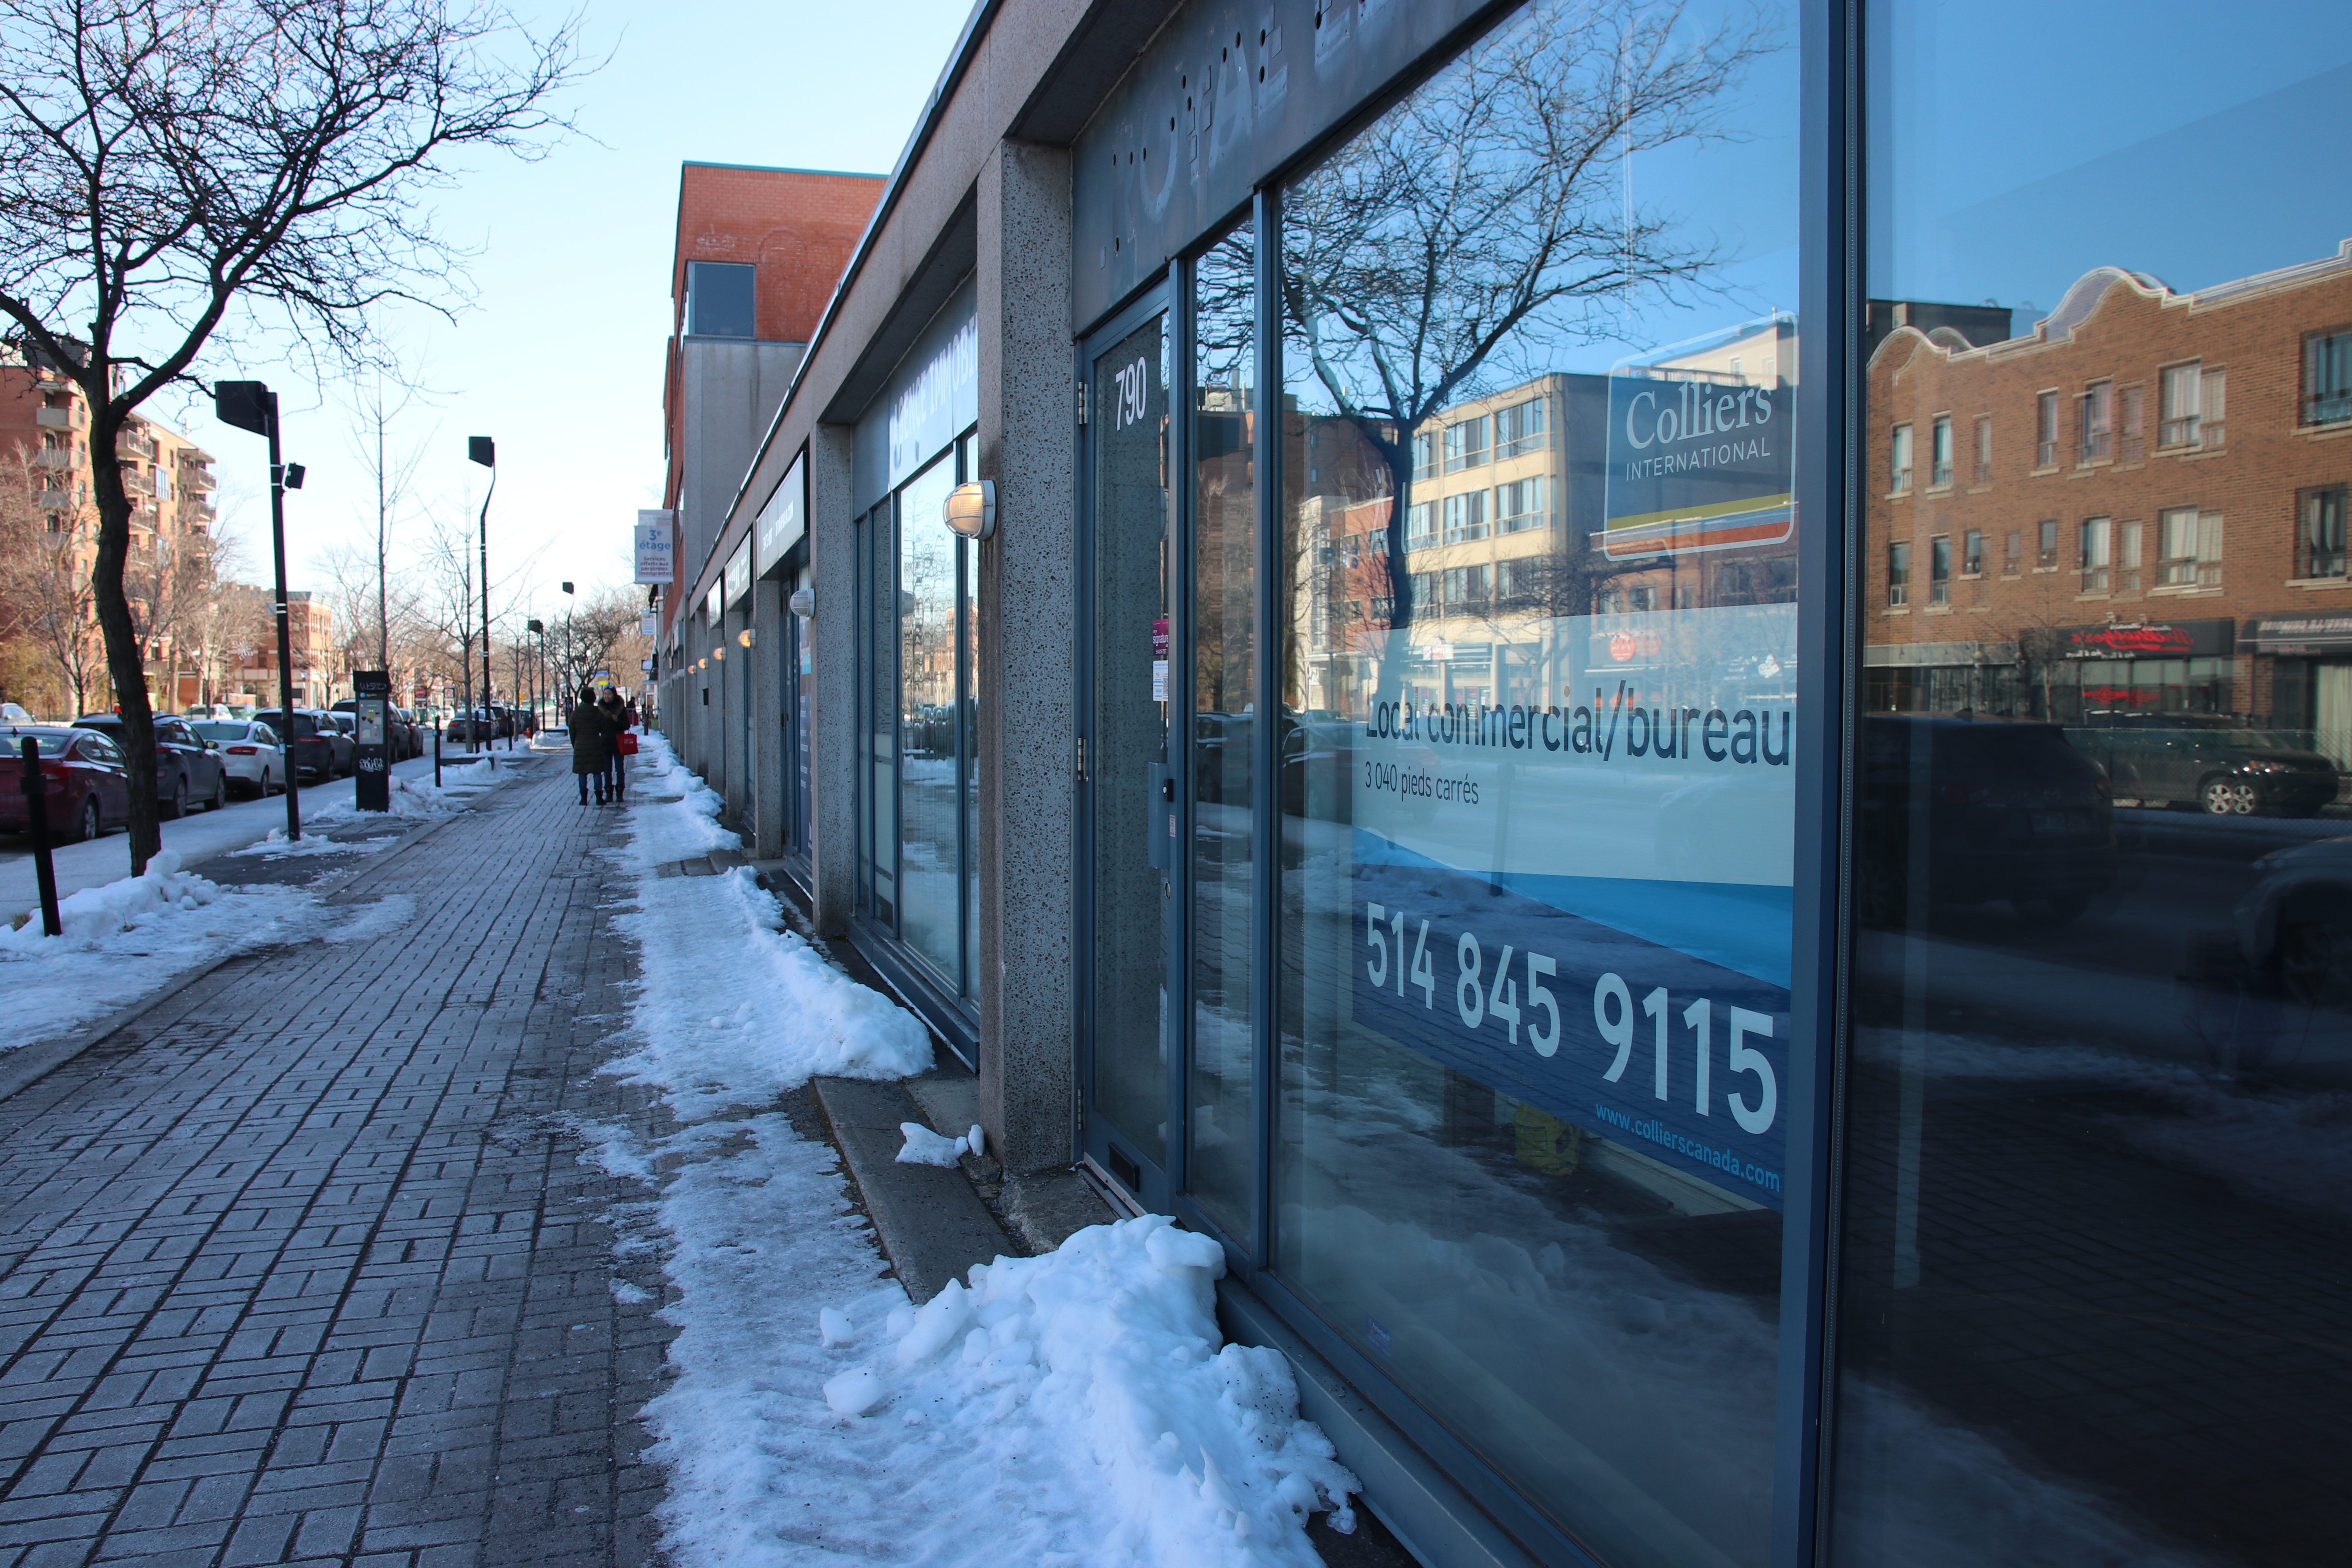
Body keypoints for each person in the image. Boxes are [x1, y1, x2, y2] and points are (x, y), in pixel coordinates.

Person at [568, 685, 612, 804]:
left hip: (581, 745)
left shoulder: (576, 713)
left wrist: (575, 744)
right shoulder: (598, 712)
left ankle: (584, 798)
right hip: (595, 745)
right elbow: (604, 729)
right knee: (597, 771)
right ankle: (599, 797)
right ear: (593, 699)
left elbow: (572, 730)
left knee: (582, 772)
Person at [597, 688, 630, 802]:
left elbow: (627, 726)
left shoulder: (621, 708)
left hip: (618, 742)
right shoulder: (600, 709)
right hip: (605, 743)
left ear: (614, 695)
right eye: (605, 694)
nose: (607, 697)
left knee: (620, 769)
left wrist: (618, 721)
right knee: (607, 770)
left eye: (609, 695)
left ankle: (620, 793)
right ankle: (609, 793)